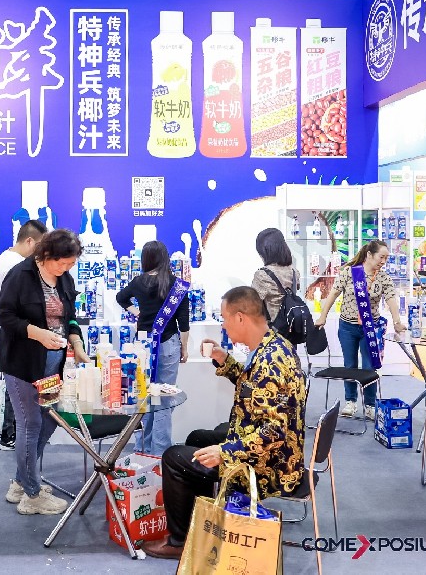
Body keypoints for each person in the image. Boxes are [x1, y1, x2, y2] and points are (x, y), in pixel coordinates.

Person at [143, 287, 306, 560]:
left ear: (240, 318)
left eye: (225, 318)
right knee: (197, 439)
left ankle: (179, 541)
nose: (223, 325)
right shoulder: (275, 346)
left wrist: (225, 452)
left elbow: (275, 432)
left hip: (269, 465)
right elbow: (255, 388)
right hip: (276, 451)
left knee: (174, 457)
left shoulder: (270, 363)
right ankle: (204, 523)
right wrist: (224, 360)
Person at [0, 229, 86, 516]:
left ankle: (21, 482)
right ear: (46, 255)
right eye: (61, 262)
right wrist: (37, 333)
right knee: (30, 423)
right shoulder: (20, 275)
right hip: (22, 363)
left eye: (70, 264)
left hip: (52, 364)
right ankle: (32, 495)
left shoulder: (65, 279)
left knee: (49, 420)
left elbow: (70, 317)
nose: (65, 268)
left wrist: (76, 342)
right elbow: (4, 315)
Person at [314, 239, 407, 420]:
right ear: (369, 255)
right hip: (347, 327)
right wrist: (322, 316)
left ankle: (370, 404)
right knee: (349, 365)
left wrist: (397, 321)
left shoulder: (383, 278)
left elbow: (391, 299)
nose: (383, 261)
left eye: (386, 258)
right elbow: (333, 294)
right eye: (381, 257)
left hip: (370, 328)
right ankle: (350, 401)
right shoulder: (350, 273)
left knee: (368, 367)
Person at [115, 240, 190, 456]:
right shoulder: (176, 284)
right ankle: (160, 453)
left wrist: (137, 313)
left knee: (143, 397)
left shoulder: (138, 282)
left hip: (142, 346)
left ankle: (142, 449)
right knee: (164, 399)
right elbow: (183, 322)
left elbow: (121, 298)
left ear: (145, 259)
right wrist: (184, 347)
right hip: (167, 343)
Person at [0, 219, 48, 451]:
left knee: (18, 385)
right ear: (29, 241)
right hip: (7, 334)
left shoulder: (9, 258)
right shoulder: (14, 265)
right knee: (16, 386)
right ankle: (9, 435)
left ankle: (17, 432)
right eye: (40, 245)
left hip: (7, 332)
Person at [251, 227, 301, 360]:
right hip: (291, 330)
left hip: (272, 333)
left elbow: (252, 304)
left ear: (265, 251)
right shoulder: (294, 271)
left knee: (273, 368)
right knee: (289, 365)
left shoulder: (262, 275)